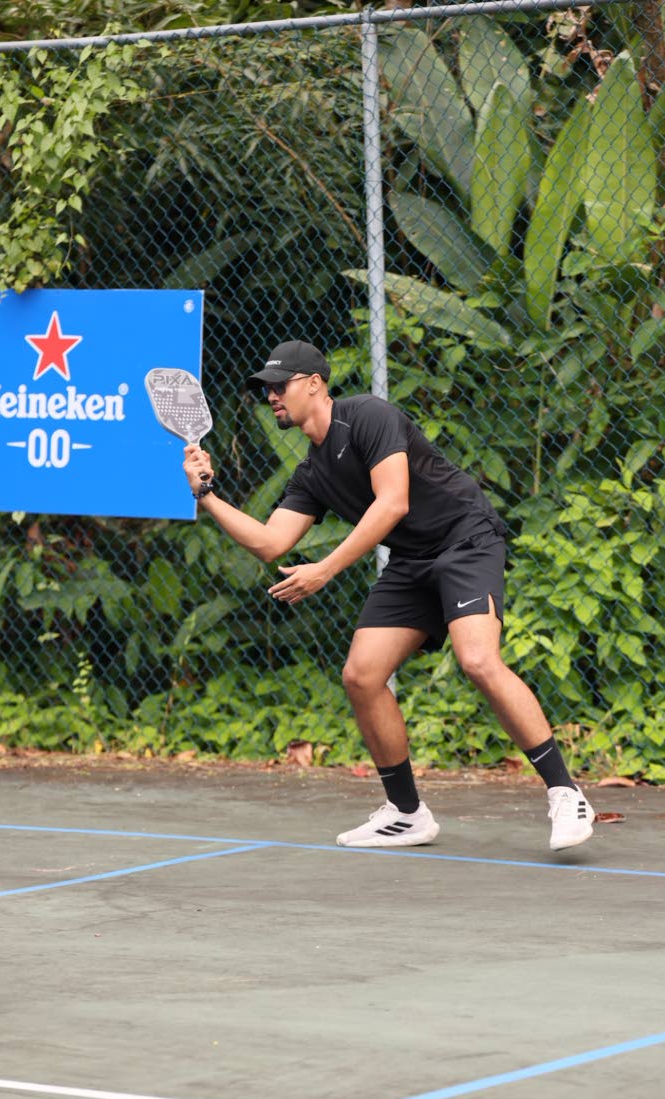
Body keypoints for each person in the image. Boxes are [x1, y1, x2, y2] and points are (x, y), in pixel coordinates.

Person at [183, 340, 595, 852]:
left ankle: (565, 793)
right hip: (411, 560)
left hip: (464, 540)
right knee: (361, 675)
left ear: (314, 384)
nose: (271, 396)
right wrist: (206, 493)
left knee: (478, 660)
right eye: (266, 389)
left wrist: (326, 569)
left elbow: (393, 502)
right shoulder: (311, 473)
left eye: (280, 385)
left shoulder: (366, 416)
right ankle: (406, 813)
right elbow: (270, 542)